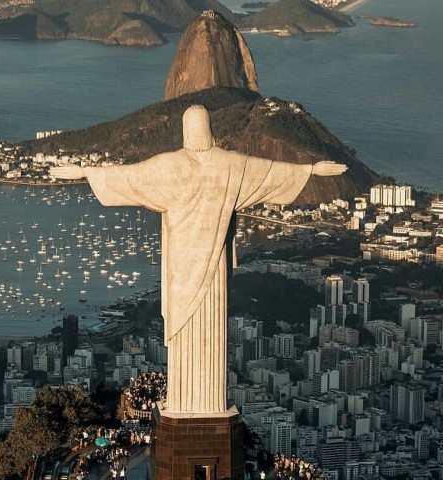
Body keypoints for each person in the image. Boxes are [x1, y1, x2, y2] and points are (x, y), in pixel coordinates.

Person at [51, 105, 347, 413]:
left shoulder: (172, 167)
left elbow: (129, 177)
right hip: (208, 267)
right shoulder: (228, 166)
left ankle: (190, 404)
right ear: (210, 130)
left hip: (183, 267)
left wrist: (87, 173)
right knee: (202, 332)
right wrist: (309, 169)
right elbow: (271, 172)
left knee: (189, 333)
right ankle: (193, 404)